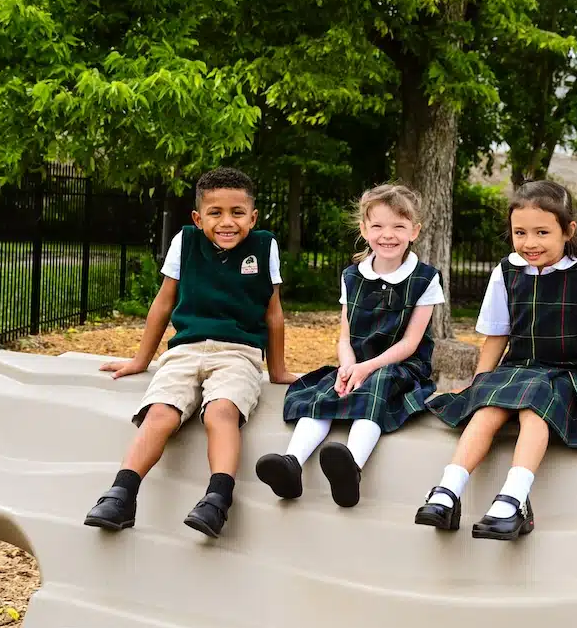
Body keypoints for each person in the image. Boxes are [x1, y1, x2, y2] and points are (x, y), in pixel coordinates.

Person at [414, 180, 577, 540]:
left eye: (542, 232)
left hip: (568, 374)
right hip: (518, 369)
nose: (530, 243)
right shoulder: (506, 271)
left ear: (568, 230)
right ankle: (447, 492)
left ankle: (512, 500)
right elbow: (497, 336)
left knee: (532, 408)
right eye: (520, 232)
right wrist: (480, 383)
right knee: (487, 409)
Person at [83, 167, 295, 538]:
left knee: (221, 412)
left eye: (237, 213)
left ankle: (217, 500)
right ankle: (121, 494)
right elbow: (164, 303)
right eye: (215, 213)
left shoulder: (264, 245)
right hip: (185, 351)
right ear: (198, 218)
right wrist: (140, 361)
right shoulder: (186, 241)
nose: (227, 222)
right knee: (160, 412)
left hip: (239, 352)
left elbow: (273, 312)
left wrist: (277, 371)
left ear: (253, 217)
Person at [255, 183, 444, 508]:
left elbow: (411, 343)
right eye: (379, 226)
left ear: (415, 231)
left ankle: (351, 468)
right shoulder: (352, 276)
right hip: (356, 361)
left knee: (376, 388)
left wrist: (367, 368)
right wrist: (347, 366)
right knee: (328, 391)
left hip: (401, 367)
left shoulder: (425, 279)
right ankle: (291, 463)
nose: (388, 235)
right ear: (364, 229)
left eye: (399, 226)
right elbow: (345, 335)